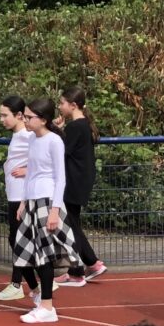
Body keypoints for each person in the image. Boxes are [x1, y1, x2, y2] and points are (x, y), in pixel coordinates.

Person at [13, 98, 81, 323]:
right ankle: (41, 299)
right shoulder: (32, 139)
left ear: (43, 119)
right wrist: (23, 201)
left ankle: (47, 306)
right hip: (32, 201)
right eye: (24, 115)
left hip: (47, 200)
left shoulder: (54, 141)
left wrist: (55, 210)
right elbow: (31, 172)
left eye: (29, 116)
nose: (25, 119)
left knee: (44, 255)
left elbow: (60, 178)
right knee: (24, 251)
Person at [55, 85, 107, 286]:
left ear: (73, 105)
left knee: (69, 224)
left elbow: (61, 150)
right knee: (71, 223)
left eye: (62, 103)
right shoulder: (81, 125)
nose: (60, 107)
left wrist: (56, 130)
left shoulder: (76, 127)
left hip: (74, 181)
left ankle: (90, 264)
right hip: (79, 180)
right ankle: (77, 269)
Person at [0, 95, 40, 302]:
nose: (1, 119)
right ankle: (26, 282)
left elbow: (49, 157)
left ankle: (26, 283)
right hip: (14, 194)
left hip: (21, 196)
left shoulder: (28, 135)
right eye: (0, 115)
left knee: (17, 240)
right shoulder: (18, 134)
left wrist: (29, 169)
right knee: (19, 239)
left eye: (5, 115)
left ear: (19, 115)